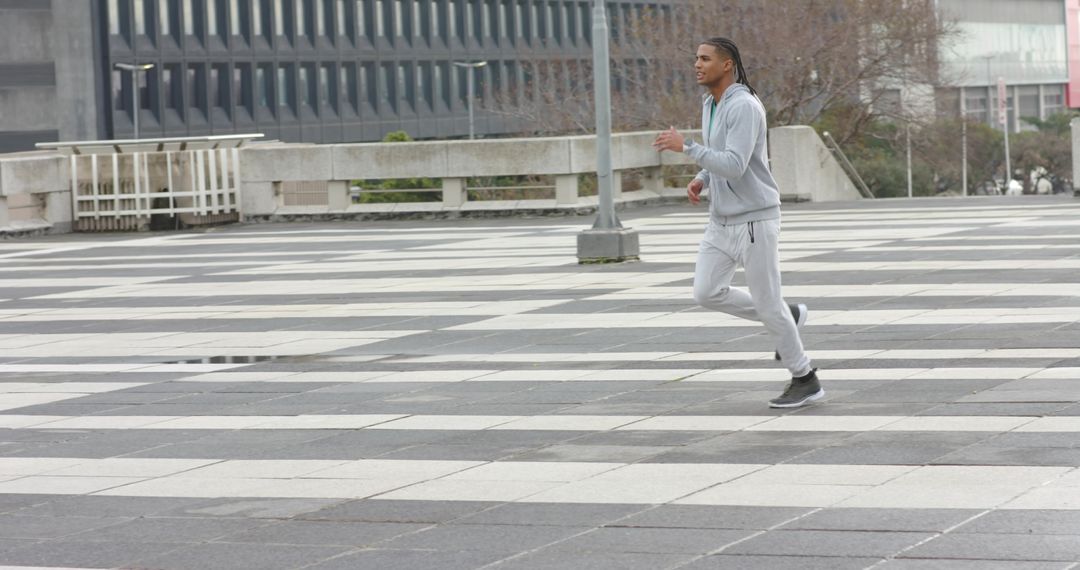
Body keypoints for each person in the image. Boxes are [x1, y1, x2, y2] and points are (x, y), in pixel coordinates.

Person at [652, 36, 822, 408]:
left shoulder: (744, 106)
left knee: (767, 303)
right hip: (721, 221)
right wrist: (702, 177)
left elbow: (735, 163)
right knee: (706, 291)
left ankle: (804, 377)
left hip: (754, 221)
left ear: (726, 64)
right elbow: (720, 159)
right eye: (695, 58)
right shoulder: (710, 103)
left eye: (705, 58)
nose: (697, 64)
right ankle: (786, 316)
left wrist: (688, 147)